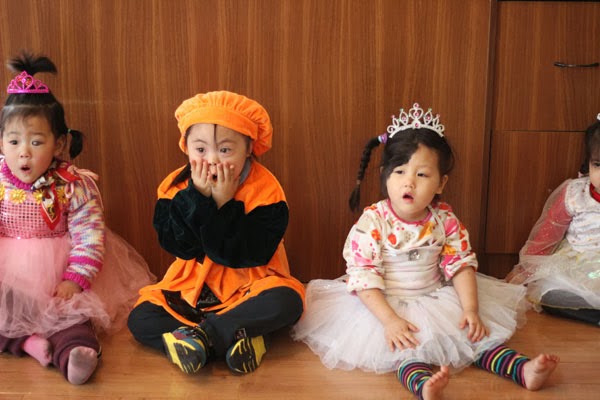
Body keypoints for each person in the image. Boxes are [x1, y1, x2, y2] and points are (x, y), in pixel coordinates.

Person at [291, 103, 559, 399]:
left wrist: (470, 309)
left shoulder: (445, 221)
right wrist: (390, 321)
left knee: (475, 337)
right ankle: (423, 386)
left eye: (422, 174)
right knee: (405, 351)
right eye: (400, 171)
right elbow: (364, 276)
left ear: (441, 183)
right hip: (383, 305)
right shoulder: (373, 222)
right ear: (384, 175)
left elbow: (461, 265)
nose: (409, 181)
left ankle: (521, 369)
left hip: (436, 298)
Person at [0, 52, 155, 384]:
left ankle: (75, 352)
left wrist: (75, 279)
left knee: (72, 317)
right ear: (2, 143)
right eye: (13, 141)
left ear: (58, 144)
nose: (23, 151)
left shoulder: (72, 185)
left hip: (59, 274)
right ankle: (27, 343)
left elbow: (89, 236)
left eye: (36, 141)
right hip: (9, 278)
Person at [127, 90, 305, 375]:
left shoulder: (266, 190)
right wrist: (197, 198)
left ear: (249, 148)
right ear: (186, 147)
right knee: (141, 319)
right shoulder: (174, 186)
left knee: (287, 301)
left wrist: (223, 205)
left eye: (225, 150)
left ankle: (201, 341)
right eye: (200, 150)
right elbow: (179, 246)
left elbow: (250, 253)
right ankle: (236, 338)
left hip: (250, 283)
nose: (212, 160)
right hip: (191, 287)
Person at [506, 114, 600, 326]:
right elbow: (548, 235)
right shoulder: (575, 193)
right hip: (578, 267)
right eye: (598, 164)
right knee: (550, 294)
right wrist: (525, 270)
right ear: (588, 163)